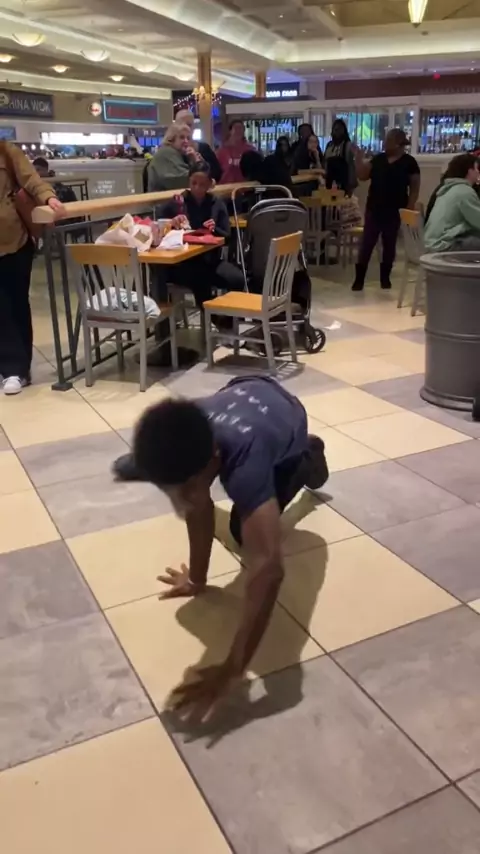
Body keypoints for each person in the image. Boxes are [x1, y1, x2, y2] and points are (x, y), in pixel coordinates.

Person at [113, 376, 329, 718]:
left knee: (244, 534)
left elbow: (269, 570)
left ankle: (306, 454)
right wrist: (196, 581)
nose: (180, 503)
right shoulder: (181, 434)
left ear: (215, 458)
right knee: (200, 501)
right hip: (245, 387)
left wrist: (234, 667)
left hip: (287, 417)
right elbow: (196, 507)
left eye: (189, 486)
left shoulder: (246, 465)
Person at [0, 142, 64, 395]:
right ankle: (10, 366)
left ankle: (16, 369)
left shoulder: (7, 152)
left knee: (14, 303)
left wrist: (49, 198)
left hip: (13, 240)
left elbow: (32, 180)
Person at [153, 162, 244, 320]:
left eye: (202, 184)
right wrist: (172, 222)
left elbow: (228, 236)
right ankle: (214, 319)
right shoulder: (179, 202)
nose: (197, 188)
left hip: (210, 261)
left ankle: (230, 319)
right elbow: (157, 225)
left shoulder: (216, 204)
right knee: (200, 279)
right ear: (189, 182)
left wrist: (215, 229)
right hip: (183, 264)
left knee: (237, 279)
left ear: (210, 184)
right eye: (194, 183)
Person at [351, 128, 420, 291]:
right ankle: (359, 279)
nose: (385, 143)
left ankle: (385, 278)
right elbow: (362, 176)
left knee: (389, 245)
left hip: (395, 210)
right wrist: (358, 159)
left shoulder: (409, 163)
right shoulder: (379, 159)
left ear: (399, 144)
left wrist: (409, 207)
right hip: (374, 208)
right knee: (367, 244)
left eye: (389, 140)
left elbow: (415, 187)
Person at [424, 153, 480, 252]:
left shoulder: (448, 189)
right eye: (476, 168)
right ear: (469, 171)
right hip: (443, 245)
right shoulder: (464, 191)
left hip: (431, 243)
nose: (478, 172)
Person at [147, 123, 202, 192]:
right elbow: (183, 181)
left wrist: (195, 160)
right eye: (182, 137)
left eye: (188, 138)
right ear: (171, 139)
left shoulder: (184, 155)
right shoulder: (166, 152)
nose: (186, 141)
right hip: (164, 197)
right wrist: (197, 161)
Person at [175, 109, 222, 183]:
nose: (186, 128)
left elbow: (217, 174)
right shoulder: (171, 152)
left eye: (189, 125)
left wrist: (201, 163)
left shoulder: (204, 149)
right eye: (181, 125)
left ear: (194, 127)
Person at [323, 119, 357, 195]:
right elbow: (325, 162)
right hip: (329, 179)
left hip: (344, 180)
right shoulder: (329, 145)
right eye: (335, 130)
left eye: (339, 130)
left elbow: (352, 165)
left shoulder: (348, 145)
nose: (337, 132)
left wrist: (351, 183)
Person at [217, 120, 254, 185]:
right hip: (226, 186)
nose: (238, 131)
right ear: (230, 131)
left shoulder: (250, 149)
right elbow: (215, 171)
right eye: (236, 128)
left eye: (241, 128)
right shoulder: (221, 151)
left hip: (244, 186)